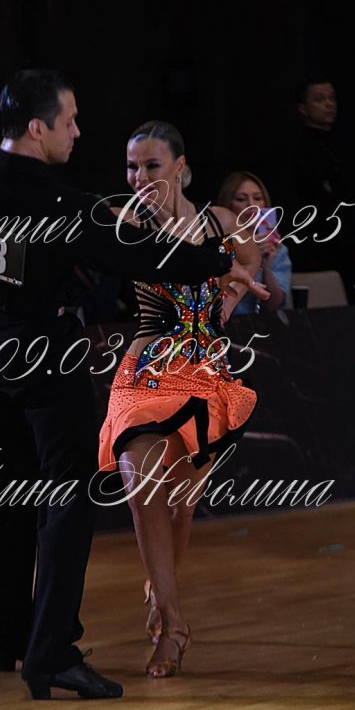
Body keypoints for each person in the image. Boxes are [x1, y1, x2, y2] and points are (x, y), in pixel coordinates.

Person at [0, 71, 264, 700]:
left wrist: (232, 279)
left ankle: (21, 633)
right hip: (77, 355)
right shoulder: (78, 206)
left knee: (23, 491)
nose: (79, 133)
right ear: (39, 128)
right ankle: (72, 646)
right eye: (70, 122)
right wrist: (215, 262)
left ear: (182, 167)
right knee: (88, 491)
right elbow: (138, 255)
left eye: (151, 165)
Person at [98, 121, 269, 679]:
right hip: (148, 369)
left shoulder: (220, 222)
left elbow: (252, 257)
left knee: (181, 505)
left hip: (205, 373)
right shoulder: (127, 223)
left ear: (180, 167)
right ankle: (172, 625)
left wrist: (232, 297)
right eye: (132, 167)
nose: (139, 177)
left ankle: (160, 593)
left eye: (151, 165)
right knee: (140, 482)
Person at [291, 77, 355, 291]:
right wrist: (354, 248)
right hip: (322, 249)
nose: (329, 104)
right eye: (320, 99)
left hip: (347, 244)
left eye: (331, 98)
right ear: (303, 108)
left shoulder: (340, 144)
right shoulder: (305, 151)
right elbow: (324, 207)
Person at [216, 170, 291, 313]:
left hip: (263, 323)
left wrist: (266, 265)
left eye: (257, 198)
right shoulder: (216, 246)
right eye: (241, 199)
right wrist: (248, 257)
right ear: (228, 204)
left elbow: (274, 305)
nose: (251, 204)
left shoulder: (276, 248)